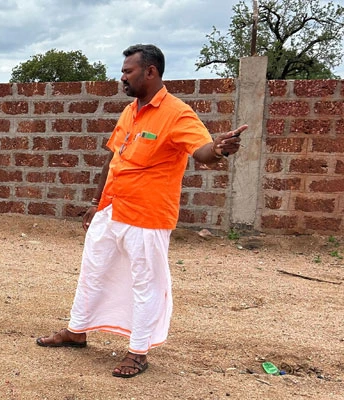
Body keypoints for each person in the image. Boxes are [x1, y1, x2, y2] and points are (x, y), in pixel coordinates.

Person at [35, 44, 245, 378]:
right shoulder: (131, 110)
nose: (122, 77)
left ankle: (138, 351)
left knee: (145, 284)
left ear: (150, 72)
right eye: (122, 71)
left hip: (148, 216)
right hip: (112, 209)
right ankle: (77, 330)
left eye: (128, 71)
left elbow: (201, 152)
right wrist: (96, 202)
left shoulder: (178, 113)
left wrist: (219, 149)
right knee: (93, 271)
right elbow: (112, 157)